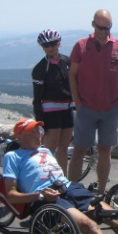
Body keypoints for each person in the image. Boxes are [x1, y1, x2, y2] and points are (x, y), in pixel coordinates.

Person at [68, 9, 118, 194]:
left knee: (105, 151)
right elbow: (72, 74)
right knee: (79, 150)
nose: (103, 31)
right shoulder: (80, 46)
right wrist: (77, 102)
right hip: (86, 107)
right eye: (100, 27)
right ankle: (72, 192)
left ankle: (101, 192)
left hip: (111, 108)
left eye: (107, 27)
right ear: (93, 24)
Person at [32, 29, 74, 176]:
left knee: (64, 148)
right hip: (51, 112)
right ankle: (47, 180)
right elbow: (37, 97)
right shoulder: (40, 69)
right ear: (43, 47)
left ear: (59, 44)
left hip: (67, 109)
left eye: (53, 44)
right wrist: (39, 121)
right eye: (46, 45)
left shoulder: (67, 61)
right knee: (50, 149)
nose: (50, 47)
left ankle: (62, 179)